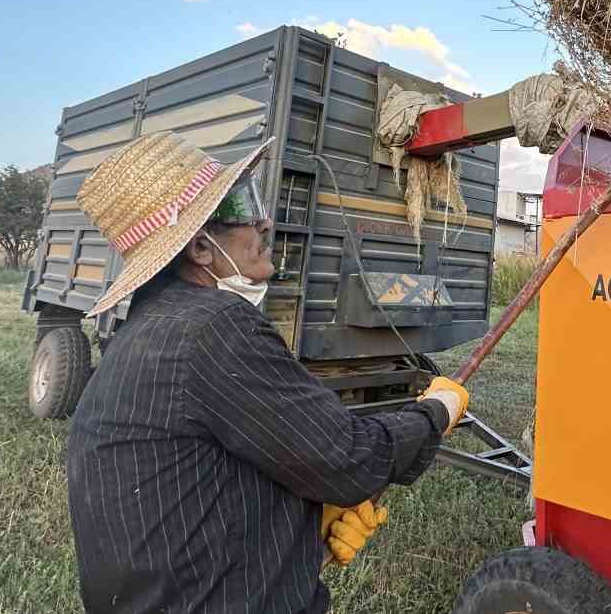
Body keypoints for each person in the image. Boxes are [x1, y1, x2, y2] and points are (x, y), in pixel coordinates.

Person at [65, 131, 469, 614]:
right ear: (200, 247)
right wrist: (437, 411)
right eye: (241, 205)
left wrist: (301, 524)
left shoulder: (150, 328)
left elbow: (214, 479)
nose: (265, 220)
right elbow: (351, 458)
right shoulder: (214, 325)